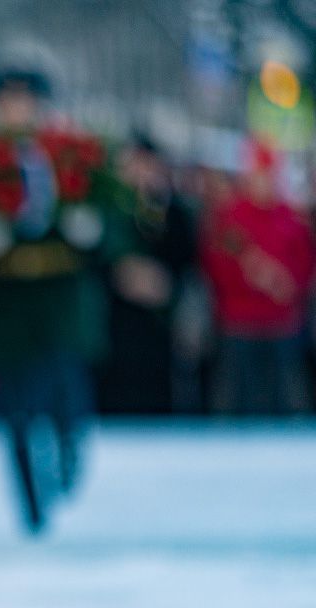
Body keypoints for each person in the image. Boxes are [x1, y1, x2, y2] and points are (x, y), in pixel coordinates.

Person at [0, 67, 106, 531]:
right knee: (16, 405)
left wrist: (90, 227)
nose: (16, 109)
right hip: (6, 298)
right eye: (7, 100)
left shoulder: (67, 153)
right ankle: (31, 503)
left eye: (24, 100)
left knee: (66, 389)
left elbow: (106, 207)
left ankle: (68, 458)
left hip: (59, 292)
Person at [200, 140, 314, 414]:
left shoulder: (290, 218)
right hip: (239, 322)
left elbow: (304, 263)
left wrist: (286, 283)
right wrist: (251, 279)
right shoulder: (229, 217)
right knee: (239, 397)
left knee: (284, 397)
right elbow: (217, 264)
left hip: (281, 322)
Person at [98, 134, 196, 413]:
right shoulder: (108, 209)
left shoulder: (172, 212)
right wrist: (121, 275)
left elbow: (185, 257)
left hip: (158, 326)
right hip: (114, 325)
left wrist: (164, 283)